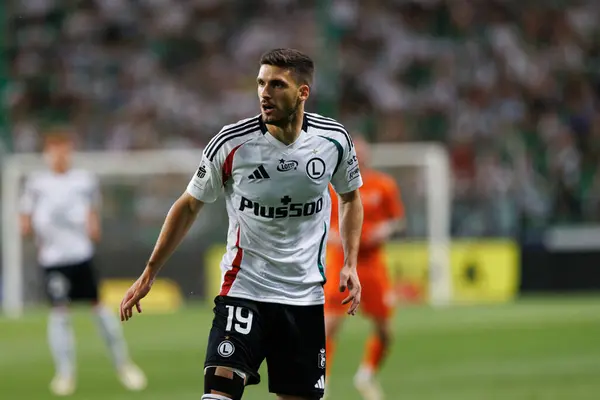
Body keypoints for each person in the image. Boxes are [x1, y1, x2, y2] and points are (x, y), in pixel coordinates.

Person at [119, 48, 364, 400]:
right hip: (244, 292)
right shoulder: (232, 143)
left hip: (304, 297)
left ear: (303, 92)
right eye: (261, 83)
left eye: (277, 84)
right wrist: (150, 272)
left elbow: (351, 197)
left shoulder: (333, 141)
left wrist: (351, 263)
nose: (265, 92)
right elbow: (188, 205)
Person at [19, 131, 147, 397]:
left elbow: (92, 218)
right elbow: (25, 221)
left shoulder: (83, 181)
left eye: (64, 150)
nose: (60, 156)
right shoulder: (36, 183)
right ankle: (65, 374)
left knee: (98, 308)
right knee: (60, 312)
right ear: (47, 154)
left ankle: (124, 365)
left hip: (81, 255)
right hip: (53, 261)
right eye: (55, 150)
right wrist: (34, 232)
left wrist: (91, 228)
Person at [323, 136, 404, 400]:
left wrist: (385, 229)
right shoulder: (332, 186)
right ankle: (320, 383)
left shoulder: (383, 184)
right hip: (341, 263)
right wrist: (335, 235)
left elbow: (397, 220)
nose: (359, 157)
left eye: (362, 153)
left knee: (385, 331)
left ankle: (366, 375)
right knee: (329, 326)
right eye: (354, 153)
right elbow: (321, 224)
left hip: (372, 266)